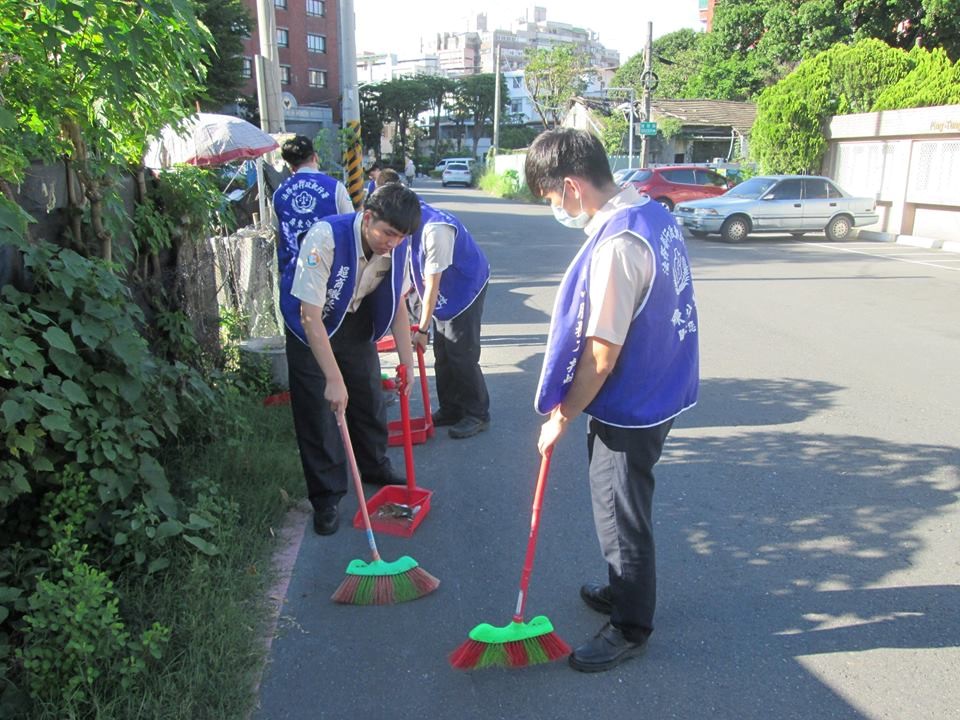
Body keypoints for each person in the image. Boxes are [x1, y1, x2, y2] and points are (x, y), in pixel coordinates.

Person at [524, 128, 699, 672]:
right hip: (663, 384)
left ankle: (630, 624)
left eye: (552, 197)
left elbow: (601, 355)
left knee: (621, 512)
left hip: (634, 401)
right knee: (624, 505)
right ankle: (624, 588)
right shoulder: (651, 213)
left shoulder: (620, 243)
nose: (556, 208)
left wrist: (562, 415)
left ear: (572, 186)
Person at [377, 168, 491, 438]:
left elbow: (432, 284)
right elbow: (406, 272)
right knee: (442, 352)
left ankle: (477, 413)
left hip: (465, 287)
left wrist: (422, 328)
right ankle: (451, 408)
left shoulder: (435, 230)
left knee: (460, 352)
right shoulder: (406, 225)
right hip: (441, 289)